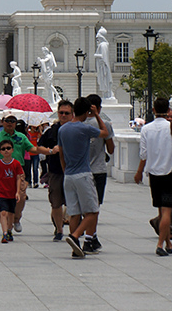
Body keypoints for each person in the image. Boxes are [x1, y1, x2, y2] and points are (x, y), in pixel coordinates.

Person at [134, 97, 172, 256]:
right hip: (170, 173)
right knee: (167, 211)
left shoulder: (146, 129)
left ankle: (168, 243)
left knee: (162, 210)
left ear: (153, 110)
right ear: (168, 109)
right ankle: (160, 244)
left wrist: (139, 172)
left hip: (154, 174)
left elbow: (143, 154)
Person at [59, 97, 111, 258]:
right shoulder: (84, 128)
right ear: (88, 111)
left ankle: (75, 246)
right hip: (83, 173)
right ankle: (75, 237)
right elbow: (105, 133)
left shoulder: (63, 129)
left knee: (74, 212)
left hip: (69, 175)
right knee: (92, 211)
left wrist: (65, 170)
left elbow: (61, 154)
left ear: (74, 110)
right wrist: (96, 115)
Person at [0, 115, 37, 234]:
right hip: (3, 173)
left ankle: (16, 218)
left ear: (16, 124)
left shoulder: (21, 137)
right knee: (3, 200)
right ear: (3, 123)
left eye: (12, 121)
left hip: (19, 172)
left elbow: (32, 149)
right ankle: (6, 229)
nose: (10, 123)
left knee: (21, 197)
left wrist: (47, 151)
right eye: (7, 121)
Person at [83, 93, 115, 251]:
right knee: (95, 207)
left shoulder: (78, 124)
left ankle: (92, 236)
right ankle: (89, 237)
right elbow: (111, 149)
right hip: (98, 170)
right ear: (99, 107)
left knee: (85, 207)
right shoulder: (105, 125)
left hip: (81, 170)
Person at [37, 101, 71, 240]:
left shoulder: (76, 129)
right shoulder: (51, 131)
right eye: (61, 112)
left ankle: (74, 229)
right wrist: (51, 151)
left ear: (72, 114)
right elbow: (39, 147)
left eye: (66, 113)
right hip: (56, 171)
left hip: (72, 171)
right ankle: (59, 229)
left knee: (73, 202)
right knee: (55, 202)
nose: (63, 115)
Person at [0, 140, 23, 243]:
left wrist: (18, 192)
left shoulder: (16, 164)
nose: (6, 151)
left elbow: (18, 178)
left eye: (8, 148)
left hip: (12, 193)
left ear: (12, 150)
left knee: (11, 213)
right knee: (3, 212)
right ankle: (4, 233)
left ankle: (9, 230)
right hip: (2, 192)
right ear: (0, 152)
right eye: (3, 149)